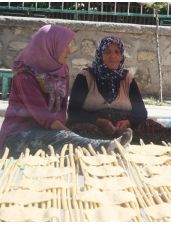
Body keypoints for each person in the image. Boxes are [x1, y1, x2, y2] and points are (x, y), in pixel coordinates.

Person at [0, 25, 132, 158]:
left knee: (67, 137)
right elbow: (45, 117)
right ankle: (106, 147)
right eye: (65, 46)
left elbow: (62, 111)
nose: (69, 51)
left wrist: (68, 132)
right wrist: (69, 134)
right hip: (18, 135)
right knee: (63, 138)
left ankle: (104, 145)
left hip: (51, 130)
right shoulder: (25, 75)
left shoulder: (61, 71)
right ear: (49, 46)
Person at [67, 36, 171, 148]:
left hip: (124, 127)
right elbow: (73, 112)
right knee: (80, 131)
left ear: (122, 56)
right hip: (95, 126)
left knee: (149, 126)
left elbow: (141, 112)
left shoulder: (127, 78)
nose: (113, 56)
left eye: (117, 52)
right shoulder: (85, 77)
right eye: (107, 52)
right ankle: (107, 145)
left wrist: (128, 122)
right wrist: (98, 121)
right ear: (100, 54)